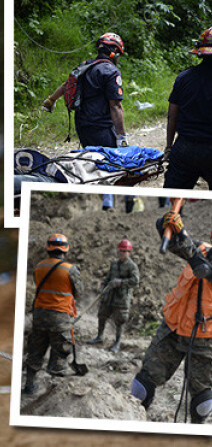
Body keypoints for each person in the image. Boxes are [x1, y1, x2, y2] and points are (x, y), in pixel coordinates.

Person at [131, 211, 212, 423]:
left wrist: (183, 233)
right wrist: (167, 225)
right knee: (142, 386)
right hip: (173, 327)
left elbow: (202, 268)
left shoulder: (200, 255)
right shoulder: (203, 249)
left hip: (205, 337)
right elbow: (182, 246)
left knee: (202, 399)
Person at [43, 33, 127, 211]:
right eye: (119, 54)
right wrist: (121, 137)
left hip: (82, 125)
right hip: (102, 128)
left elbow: (67, 84)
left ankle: (88, 200)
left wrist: (51, 100)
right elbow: (116, 107)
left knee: (90, 162)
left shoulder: (86, 66)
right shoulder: (110, 71)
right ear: (114, 53)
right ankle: (108, 202)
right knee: (111, 163)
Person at [23, 234, 83, 395]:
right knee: (61, 348)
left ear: (48, 248)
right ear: (66, 249)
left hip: (39, 313)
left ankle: (30, 384)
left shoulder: (39, 267)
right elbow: (79, 292)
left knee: (36, 348)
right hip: (59, 315)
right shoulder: (70, 269)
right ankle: (54, 389)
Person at [162, 26, 212, 189]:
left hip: (185, 148)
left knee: (173, 202)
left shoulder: (184, 78)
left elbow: (172, 116)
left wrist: (169, 147)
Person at [87, 239, 140, 353]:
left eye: (124, 251)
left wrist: (121, 282)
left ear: (129, 252)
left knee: (119, 321)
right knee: (102, 315)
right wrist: (103, 286)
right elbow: (108, 278)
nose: (121, 253)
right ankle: (99, 337)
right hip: (109, 296)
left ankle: (117, 343)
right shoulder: (114, 264)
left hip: (121, 298)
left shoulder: (132, 266)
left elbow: (135, 281)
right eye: (120, 250)